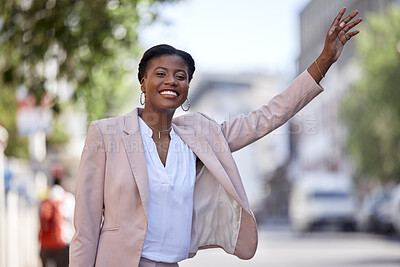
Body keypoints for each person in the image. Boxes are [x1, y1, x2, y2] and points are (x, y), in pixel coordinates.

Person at [70, 7, 362, 267]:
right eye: (161, 73)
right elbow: (85, 227)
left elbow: (268, 117)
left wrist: (323, 61)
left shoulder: (200, 137)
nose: (171, 80)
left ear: (186, 90)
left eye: (180, 76)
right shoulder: (105, 134)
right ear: (143, 83)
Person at [39, 164, 75, 267]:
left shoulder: (45, 198)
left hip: (46, 244)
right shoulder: (68, 199)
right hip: (63, 244)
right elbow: (74, 223)